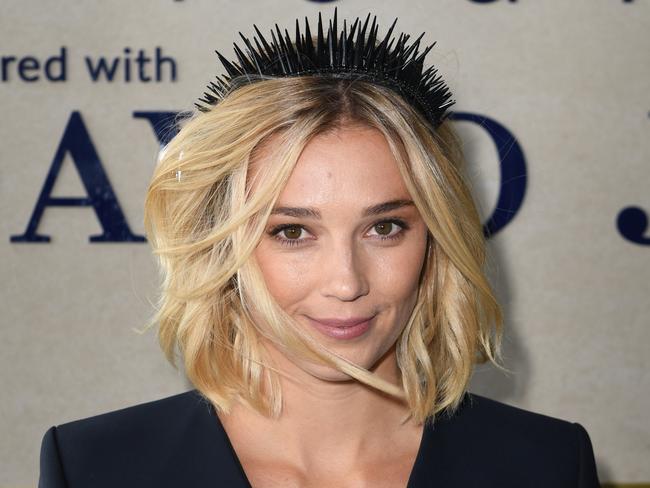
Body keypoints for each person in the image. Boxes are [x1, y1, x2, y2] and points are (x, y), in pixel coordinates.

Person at [38, 9, 601, 488]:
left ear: (436, 239)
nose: (346, 281)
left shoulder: (545, 465)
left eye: (384, 228)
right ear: (222, 246)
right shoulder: (97, 469)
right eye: (292, 232)